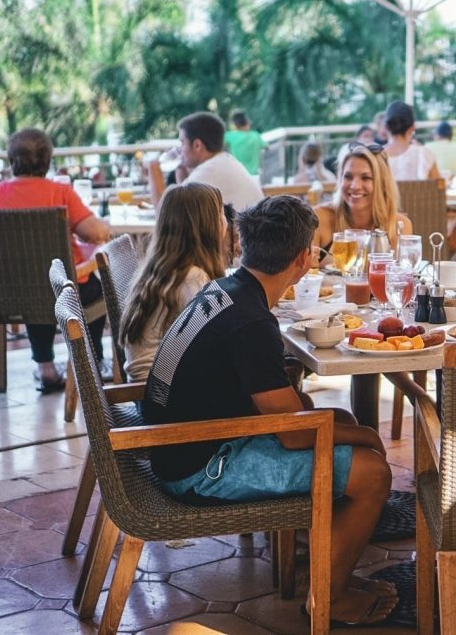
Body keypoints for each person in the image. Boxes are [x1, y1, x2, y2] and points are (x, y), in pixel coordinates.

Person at [142, 196, 396, 626]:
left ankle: (321, 554)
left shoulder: (223, 290)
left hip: (182, 441)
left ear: (243, 247)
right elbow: (294, 434)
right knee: (373, 472)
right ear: (303, 258)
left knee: (344, 424)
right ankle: (328, 598)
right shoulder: (251, 321)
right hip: (199, 466)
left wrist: (347, 428)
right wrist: (368, 437)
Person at [0, 128, 111, 393]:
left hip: (5, 293)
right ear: (47, 161)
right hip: (63, 293)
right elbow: (94, 233)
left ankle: (45, 368)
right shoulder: (59, 193)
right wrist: (104, 225)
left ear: (12, 160)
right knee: (92, 289)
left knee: (34, 288)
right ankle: (91, 365)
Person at [120, 183, 228, 382]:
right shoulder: (191, 278)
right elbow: (214, 339)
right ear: (207, 226)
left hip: (148, 390)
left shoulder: (163, 270)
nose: (226, 221)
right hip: (161, 396)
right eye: (221, 214)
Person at [148, 112, 265, 212]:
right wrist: (182, 171)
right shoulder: (224, 162)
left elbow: (165, 215)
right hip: (251, 236)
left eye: (182, 143)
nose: (180, 149)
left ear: (197, 145)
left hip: (244, 237)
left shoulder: (208, 172)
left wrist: (152, 167)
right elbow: (184, 211)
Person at [312, 142, 412, 252]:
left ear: (383, 184)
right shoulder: (318, 219)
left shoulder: (398, 225)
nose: (355, 186)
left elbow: (403, 268)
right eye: (348, 177)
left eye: (366, 178)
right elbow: (303, 268)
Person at [383, 101, 440, 180]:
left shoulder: (375, 156)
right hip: (419, 192)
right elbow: (437, 188)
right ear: (413, 127)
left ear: (386, 127)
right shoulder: (423, 154)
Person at [223, 110, 268, 176]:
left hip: (238, 176)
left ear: (235, 124)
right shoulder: (255, 136)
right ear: (248, 122)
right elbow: (267, 147)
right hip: (254, 177)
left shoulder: (229, 136)